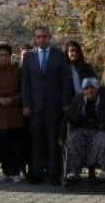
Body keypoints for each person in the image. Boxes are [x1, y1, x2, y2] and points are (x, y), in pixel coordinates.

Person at [21, 26, 70, 184]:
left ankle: (53, 173)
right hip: (35, 107)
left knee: (53, 142)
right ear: (35, 39)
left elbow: (65, 82)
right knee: (36, 142)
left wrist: (65, 103)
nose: (42, 39)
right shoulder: (29, 57)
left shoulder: (59, 56)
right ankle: (37, 173)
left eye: (44, 36)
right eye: (39, 37)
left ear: (50, 37)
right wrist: (26, 104)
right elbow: (25, 83)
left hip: (53, 106)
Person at [63, 78, 105, 181]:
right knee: (72, 138)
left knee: (104, 139)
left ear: (97, 89)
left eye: (92, 88)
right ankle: (73, 171)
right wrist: (61, 136)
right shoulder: (78, 100)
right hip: (81, 130)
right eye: (86, 89)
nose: (89, 91)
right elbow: (68, 118)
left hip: (98, 130)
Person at [0, 43, 25, 182]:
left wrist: (13, 99)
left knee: (15, 144)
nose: (3, 58)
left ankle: (15, 171)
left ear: (10, 56)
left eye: (6, 55)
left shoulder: (17, 71)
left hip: (14, 112)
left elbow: (23, 91)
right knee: (3, 145)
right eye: (1, 55)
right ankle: (5, 171)